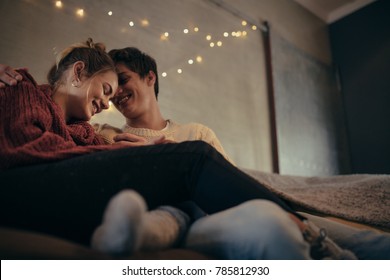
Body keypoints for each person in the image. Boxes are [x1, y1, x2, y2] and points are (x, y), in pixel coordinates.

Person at [0, 41, 355, 260]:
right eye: (107, 89)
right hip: (21, 186)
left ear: (151, 78)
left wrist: (148, 154)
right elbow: (28, 151)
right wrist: (132, 156)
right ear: (78, 72)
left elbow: (101, 158)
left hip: (63, 188)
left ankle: (304, 228)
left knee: (192, 158)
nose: (107, 103)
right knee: (194, 157)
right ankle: (306, 231)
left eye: (113, 91)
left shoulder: (82, 131)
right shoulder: (24, 88)